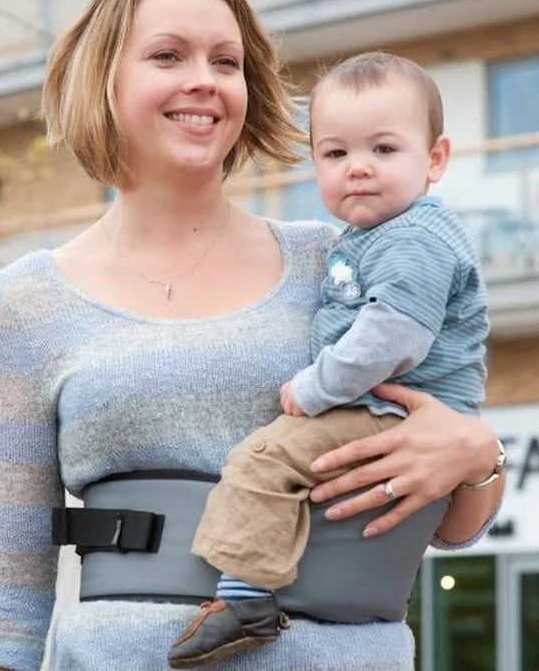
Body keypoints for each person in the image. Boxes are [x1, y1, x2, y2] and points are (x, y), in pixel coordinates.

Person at [0, 0, 505, 670]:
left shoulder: (344, 263)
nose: (204, 80)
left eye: (226, 61)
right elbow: (0, 599)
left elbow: (454, 523)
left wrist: (479, 457)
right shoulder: (26, 303)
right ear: (104, 79)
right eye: (168, 55)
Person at [167, 50, 492, 668]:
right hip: (386, 412)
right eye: (336, 154)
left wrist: (316, 388)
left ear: (436, 159)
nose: (359, 169)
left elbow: (393, 337)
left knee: (267, 456)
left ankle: (245, 597)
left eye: (384, 150)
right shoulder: (371, 237)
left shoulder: (416, 237)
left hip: (394, 413)